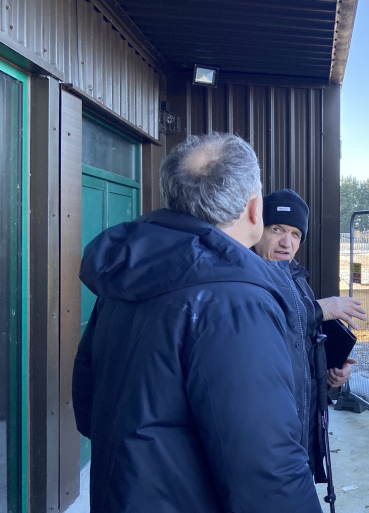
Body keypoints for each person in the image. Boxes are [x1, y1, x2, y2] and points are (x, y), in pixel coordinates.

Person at [72, 134, 323, 513]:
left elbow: (89, 406)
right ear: (255, 208)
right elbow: (267, 469)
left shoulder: (125, 277)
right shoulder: (235, 300)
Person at [251, 189, 366, 485]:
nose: (286, 242)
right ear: (258, 229)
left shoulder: (299, 283)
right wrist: (316, 309)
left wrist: (329, 375)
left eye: (295, 234)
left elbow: (298, 350)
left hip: (300, 430)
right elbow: (260, 336)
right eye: (276, 229)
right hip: (263, 434)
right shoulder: (245, 280)